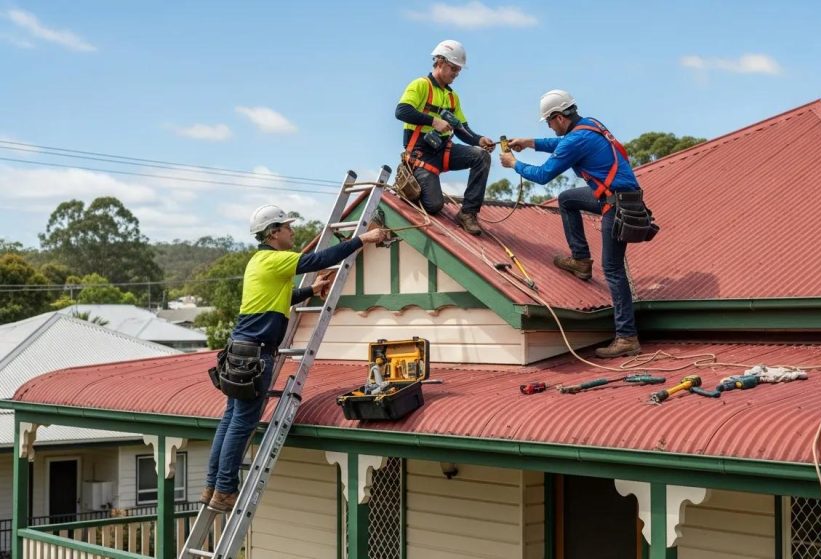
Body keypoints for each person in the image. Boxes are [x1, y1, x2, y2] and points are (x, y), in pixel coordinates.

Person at [203, 204, 389, 512]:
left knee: (231, 419)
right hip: (254, 355)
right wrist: (363, 239)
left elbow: (279, 299)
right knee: (242, 424)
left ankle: (213, 486)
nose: (292, 231)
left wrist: (310, 291)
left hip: (239, 351)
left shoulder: (259, 262)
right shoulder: (275, 259)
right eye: (287, 228)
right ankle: (224, 490)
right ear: (274, 234)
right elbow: (319, 259)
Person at [500, 90, 642, 358]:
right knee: (567, 199)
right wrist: (530, 142)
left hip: (617, 204)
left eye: (550, 122)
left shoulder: (574, 140)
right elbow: (562, 145)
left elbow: (543, 175)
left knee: (612, 269)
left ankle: (627, 337)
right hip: (620, 195)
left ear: (559, 118)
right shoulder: (590, 125)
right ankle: (581, 260)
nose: (551, 127)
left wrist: (514, 163)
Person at [395, 39, 495, 235]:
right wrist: (433, 122)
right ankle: (409, 180)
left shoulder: (452, 97)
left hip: (443, 151)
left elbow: (461, 128)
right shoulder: (421, 85)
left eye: (458, 70)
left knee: (481, 156)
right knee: (434, 206)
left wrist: (478, 140)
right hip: (421, 155)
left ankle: (468, 213)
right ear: (440, 62)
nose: (456, 74)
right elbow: (401, 111)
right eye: (453, 68)